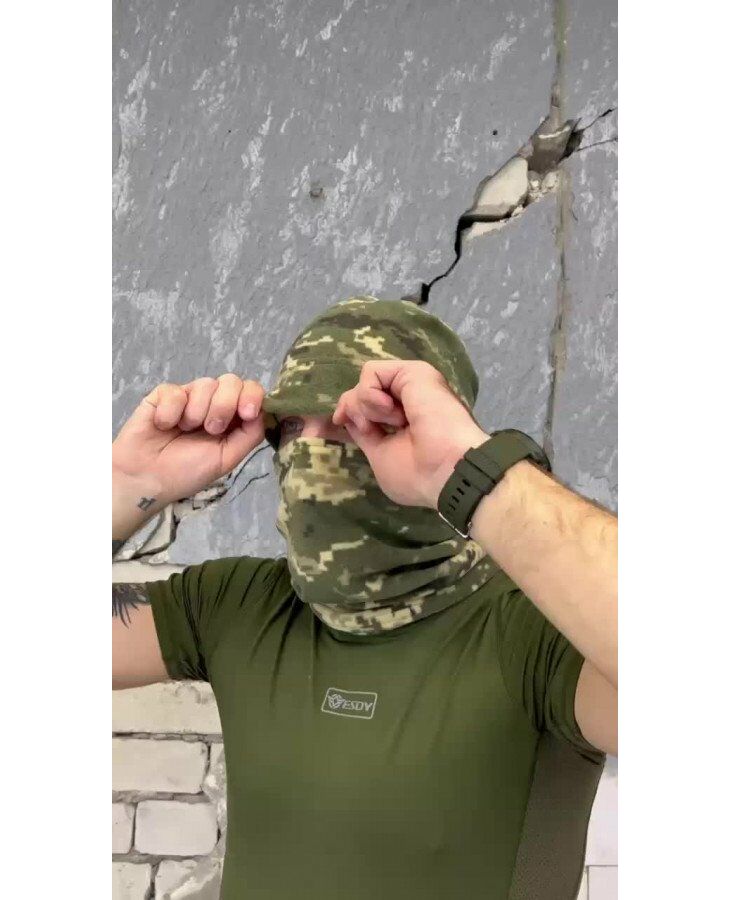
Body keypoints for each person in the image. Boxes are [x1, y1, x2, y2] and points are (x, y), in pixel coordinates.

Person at [112, 296, 617, 900]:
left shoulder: (534, 633)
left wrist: (471, 473)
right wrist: (126, 485)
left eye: (357, 424)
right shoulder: (236, 605)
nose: (312, 452)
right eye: (292, 427)